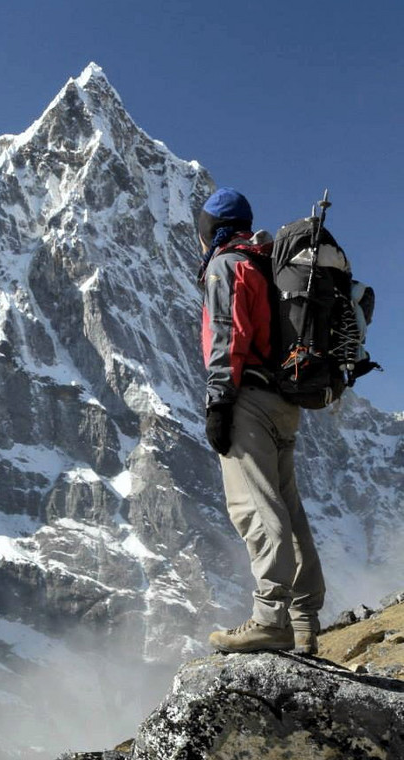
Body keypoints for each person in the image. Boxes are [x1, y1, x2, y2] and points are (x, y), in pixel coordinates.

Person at [198, 187, 325, 654]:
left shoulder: (226, 264)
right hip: (284, 401)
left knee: (254, 508)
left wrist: (218, 402)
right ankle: (306, 620)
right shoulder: (270, 265)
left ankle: (270, 617)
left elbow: (229, 335)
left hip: (247, 397)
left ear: (213, 228)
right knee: (288, 508)